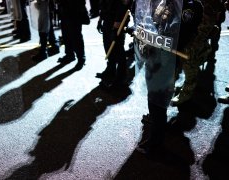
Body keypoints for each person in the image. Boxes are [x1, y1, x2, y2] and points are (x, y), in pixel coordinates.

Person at [135, 0, 204, 155]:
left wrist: (159, 41)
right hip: (153, 56)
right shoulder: (166, 1)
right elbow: (155, 22)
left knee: (158, 103)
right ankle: (156, 124)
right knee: (153, 98)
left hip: (167, 60)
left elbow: (181, 35)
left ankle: (155, 144)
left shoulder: (191, 5)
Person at [170, 0, 225, 106]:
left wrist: (198, 38)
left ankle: (187, 92)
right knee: (178, 56)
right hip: (188, 22)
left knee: (190, 59)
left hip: (200, 28)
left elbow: (206, 22)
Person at [95, 0, 131, 89]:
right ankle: (111, 70)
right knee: (107, 45)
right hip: (108, 17)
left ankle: (121, 79)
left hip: (117, 19)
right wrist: (100, 20)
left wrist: (117, 25)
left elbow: (124, 4)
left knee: (118, 49)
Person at [57, 0, 90, 70]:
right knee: (66, 35)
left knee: (76, 36)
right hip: (65, 9)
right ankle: (70, 54)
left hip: (75, 11)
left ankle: (81, 58)